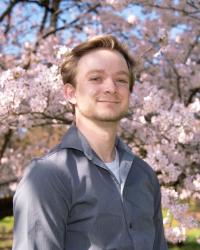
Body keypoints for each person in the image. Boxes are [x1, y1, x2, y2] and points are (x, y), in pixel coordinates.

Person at [12, 34, 168, 250]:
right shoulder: (48, 176)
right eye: (96, 78)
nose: (111, 88)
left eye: (121, 80)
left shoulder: (145, 175)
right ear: (71, 93)